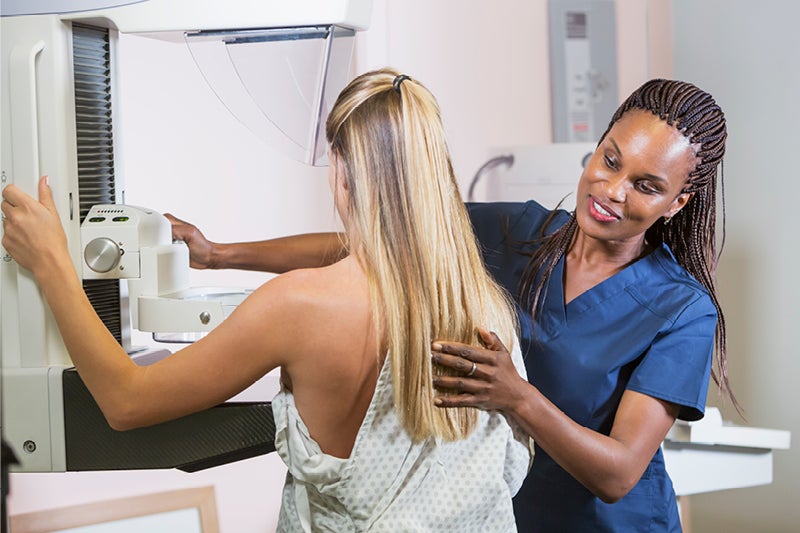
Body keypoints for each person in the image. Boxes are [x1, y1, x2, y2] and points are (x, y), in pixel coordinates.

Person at [163, 78, 737, 532]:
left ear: (677, 202)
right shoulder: (519, 231)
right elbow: (377, 241)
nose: (613, 190)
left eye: (646, 185)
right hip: (507, 516)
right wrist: (220, 254)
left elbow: (618, 474)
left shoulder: (681, 309)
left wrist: (516, 396)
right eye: (610, 161)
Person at [0, 68, 532, 532]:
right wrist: (218, 254)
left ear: (341, 171)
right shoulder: (486, 309)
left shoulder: (299, 307)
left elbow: (127, 402)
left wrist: (52, 264)